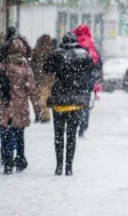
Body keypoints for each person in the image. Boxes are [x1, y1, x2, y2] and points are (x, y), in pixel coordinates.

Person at [44, 32, 95, 176]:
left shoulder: (57, 53)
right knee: (71, 135)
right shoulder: (84, 54)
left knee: (58, 135)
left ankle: (58, 166)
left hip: (59, 99)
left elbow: (46, 68)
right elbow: (91, 73)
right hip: (76, 101)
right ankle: (69, 167)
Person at [0, 36, 42, 174]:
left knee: (5, 133)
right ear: (23, 49)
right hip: (20, 106)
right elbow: (33, 90)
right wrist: (38, 110)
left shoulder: (3, 65)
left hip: (4, 104)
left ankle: (7, 160)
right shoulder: (26, 68)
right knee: (19, 134)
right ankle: (19, 158)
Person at [72, 24, 102, 138]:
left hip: (75, 80)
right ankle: (83, 127)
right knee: (85, 104)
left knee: (75, 102)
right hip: (88, 81)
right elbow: (98, 64)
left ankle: (74, 123)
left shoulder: (73, 45)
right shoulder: (91, 46)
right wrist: (97, 79)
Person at [31, 34, 56, 122]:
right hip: (46, 79)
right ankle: (44, 115)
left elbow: (32, 65)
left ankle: (40, 115)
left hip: (38, 78)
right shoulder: (52, 52)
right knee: (44, 98)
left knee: (37, 99)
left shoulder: (35, 51)